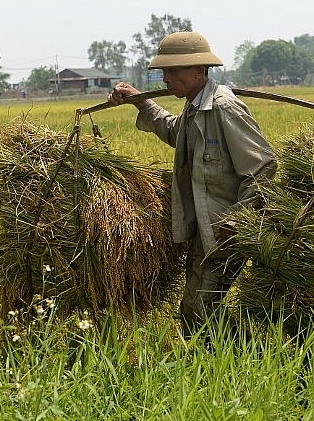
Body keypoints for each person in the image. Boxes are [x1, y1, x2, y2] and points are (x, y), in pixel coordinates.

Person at [108, 31, 277, 340]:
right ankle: (234, 364)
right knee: (198, 307)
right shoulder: (194, 107)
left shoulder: (224, 107)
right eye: (163, 71)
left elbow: (263, 165)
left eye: (174, 71)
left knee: (199, 307)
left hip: (227, 229)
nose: (166, 78)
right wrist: (139, 100)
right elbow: (176, 133)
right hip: (207, 227)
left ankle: (237, 364)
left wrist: (239, 219)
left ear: (200, 70)